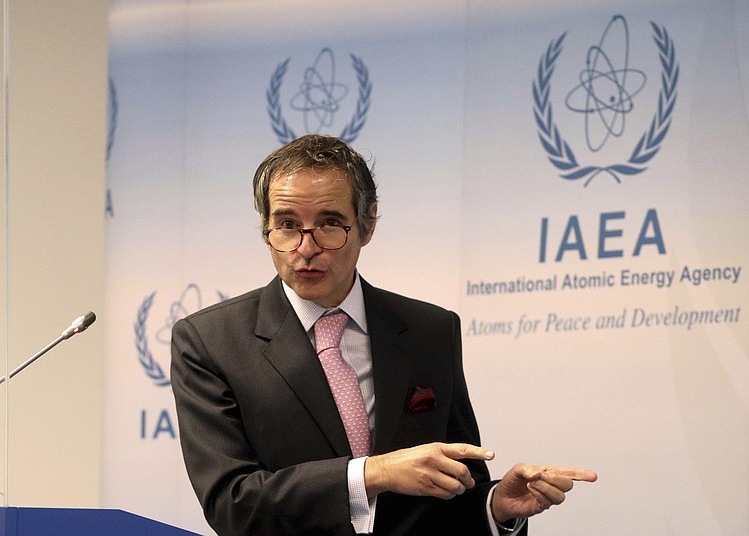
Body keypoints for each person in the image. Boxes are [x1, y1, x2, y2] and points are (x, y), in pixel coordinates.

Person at [170, 134, 596, 535]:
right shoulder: (210, 341)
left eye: (330, 223)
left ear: (368, 224)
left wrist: (494, 506)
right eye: (286, 224)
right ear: (266, 228)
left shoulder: (430, 331)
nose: (305, 246)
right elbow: (231, 503)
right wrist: (375, 473)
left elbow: (454, 487)